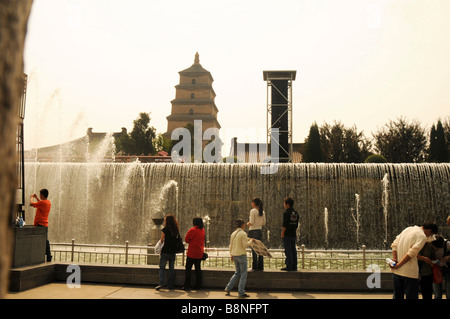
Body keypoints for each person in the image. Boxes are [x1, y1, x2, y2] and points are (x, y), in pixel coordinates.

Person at [389, 222, 438, 299]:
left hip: (397, 272)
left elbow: (394, 244)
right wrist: (399, 264)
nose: (430, 236)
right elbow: (412, 253)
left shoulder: (407, 229)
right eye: (431, 234)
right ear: (429, 230)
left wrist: (395, 260)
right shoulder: (422, 236)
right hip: (410, 273)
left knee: (397, 296)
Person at [225, 219, 254, 298]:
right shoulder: (243, 234)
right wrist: (251, 241)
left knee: (237, 273)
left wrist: (231, 254)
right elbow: (245, 245)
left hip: (235, 255)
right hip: (241, 255)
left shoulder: (233, 233)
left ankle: (228, 288)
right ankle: (241, 292)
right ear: (243, 225)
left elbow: (230, 245)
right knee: (243, 274)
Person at [156, 214, 180, 290]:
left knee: (162, 267)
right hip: (173, 252)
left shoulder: (165, 230)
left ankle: (162, 283)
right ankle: (170, 285)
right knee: (171, 268)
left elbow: (162, 240)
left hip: (165, 251)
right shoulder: (176, 229)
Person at [183, 217, 206, 291]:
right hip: (199, 253)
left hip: (191, 253)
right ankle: (198, 286)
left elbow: (186, 240)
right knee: (198, 269)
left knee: (188, 269)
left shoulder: (192, 230)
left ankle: (187, 286)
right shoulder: (203, 230)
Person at [30, 189, 52, 262]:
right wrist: (37, 198)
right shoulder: (48, 202)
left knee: (40, 240)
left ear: (42, 195)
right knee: (45, 240)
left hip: (40, 224)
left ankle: (43, 256)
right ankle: (48, 256)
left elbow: (31, 204)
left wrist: (31, 197)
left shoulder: (43, 203)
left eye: (40, 195)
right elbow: (41, 203)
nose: (39, 196)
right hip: (44, 224)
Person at [247, 197, 266, 271]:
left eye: (252, 202)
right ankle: (261, 267)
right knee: (260, 249)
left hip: (252, 231)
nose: (251, 203)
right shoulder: (262, 211)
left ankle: (254, 267)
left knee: (254, 249)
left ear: (254, 203)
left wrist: (248, 223)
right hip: (259, 231)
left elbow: (251, 222)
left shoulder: (253, 211)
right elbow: (264, 223)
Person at [281, 197, 299, 271]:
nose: (284, 205)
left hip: (287, 234)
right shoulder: (296, 213)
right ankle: (294, 266)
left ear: (287, 204)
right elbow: (296, 224)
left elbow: (284, 225)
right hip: (293, 233)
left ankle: (289, 266)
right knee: (293, 250)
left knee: (288, 250)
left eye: (284, 203)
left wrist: (282, 233)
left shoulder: (286, 213)